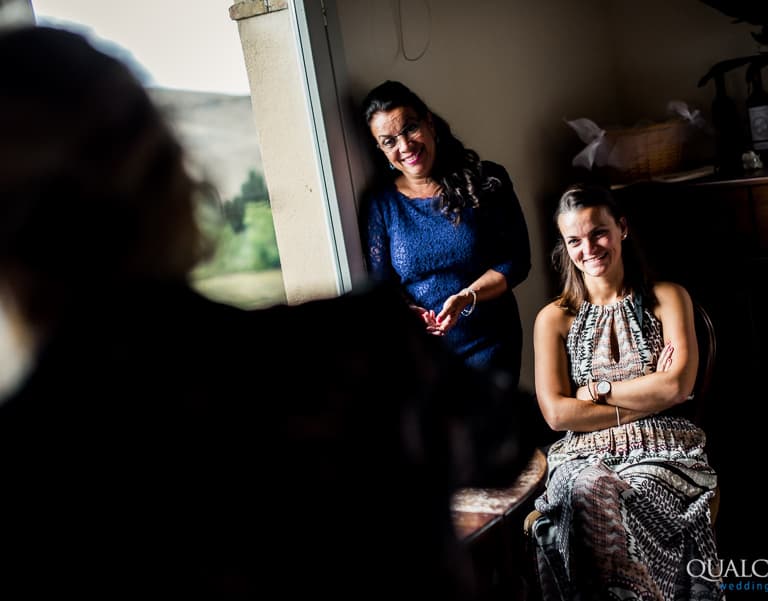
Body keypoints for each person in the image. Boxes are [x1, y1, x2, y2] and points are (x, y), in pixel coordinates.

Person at [0, 26, 538, 599]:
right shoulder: (355, 352)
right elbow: (507, 443)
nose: (402, 144)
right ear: (177, 181)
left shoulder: (26, 471)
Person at [530, 183, 723, 600]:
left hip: (664, 451)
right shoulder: (554, 319)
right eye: (575, 240)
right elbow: (557, 415)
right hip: (580, 455)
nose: (590, 248)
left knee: (624, 501)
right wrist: (650, 396)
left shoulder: (667, 297)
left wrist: (594, 390)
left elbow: (677, 385)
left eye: (599, 232)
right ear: (565, 248)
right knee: (587, 489)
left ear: (622, 229)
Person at [361, 80, 531, 387]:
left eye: (410, 128)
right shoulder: (381, 204)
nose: (405, 146)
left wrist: (467, 297)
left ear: (429, 123)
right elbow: (382, 286)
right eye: (389, 141)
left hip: (490, 343)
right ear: (381, 150)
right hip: (424, 356)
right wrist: (407, 312)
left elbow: (517, 260)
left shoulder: (486, 179)